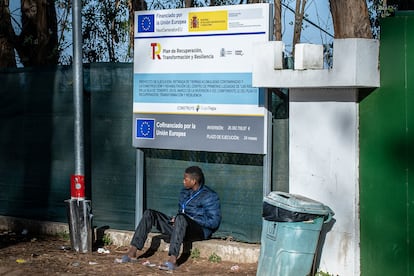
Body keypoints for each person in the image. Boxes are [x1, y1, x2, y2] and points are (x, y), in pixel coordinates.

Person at [118, 166, 221, 270]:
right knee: (149, 213)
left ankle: (172, 259)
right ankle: (132, 251)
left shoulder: (209, 196)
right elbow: (182, 213)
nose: (183, 181)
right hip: (180, 226)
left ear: (194, 181)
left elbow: (214, 222)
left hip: (198, 231)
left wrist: (188, 218)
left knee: (181, 218)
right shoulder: (185, 192)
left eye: (185, 179)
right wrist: (176, 220)